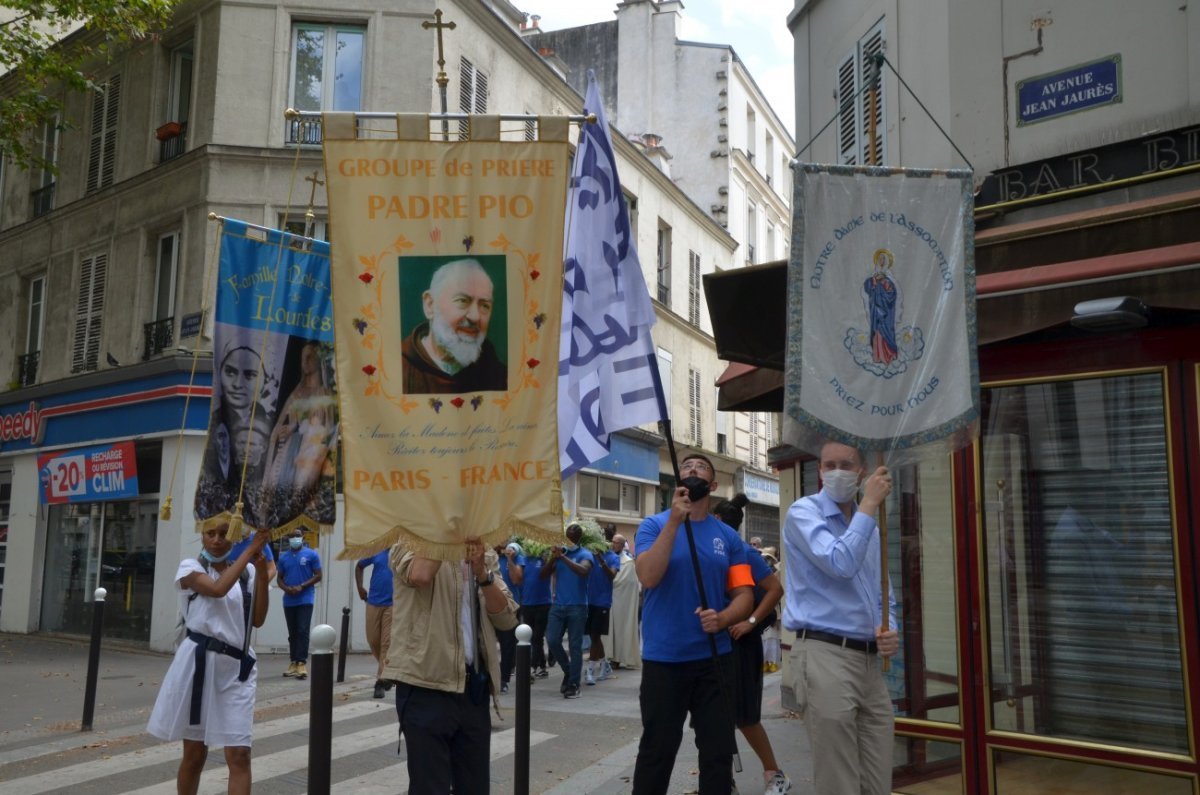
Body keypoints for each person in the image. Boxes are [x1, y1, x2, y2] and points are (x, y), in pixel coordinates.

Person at [781, 441, 899, 795]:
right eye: (828, 464)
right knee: (839, 781)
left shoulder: (871, 530)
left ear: (861, 471)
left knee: (877, 779)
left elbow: (884, 596)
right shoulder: (804, 513)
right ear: (818, 471)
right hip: (824, 655)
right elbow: (840, 563)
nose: (836, 472)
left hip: (868, 661)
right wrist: (869, 504)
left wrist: (890, 629)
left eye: (846, 464)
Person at [633, 453, 754, 795]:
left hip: (715, 661)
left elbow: (744, 594)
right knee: (657, 750)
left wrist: (724, 618)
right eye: (686, 467)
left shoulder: (728, 538)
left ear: (713, 485)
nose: (692, 470)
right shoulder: (654, 526)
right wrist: (674, 521)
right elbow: (648, 576)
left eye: (700, 467)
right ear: (678, 482)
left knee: (717, 753)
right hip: (664, 661)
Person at [385, 537, 518, 794]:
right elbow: (420, 575)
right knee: (429, 786)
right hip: (425, 684)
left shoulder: (482, 551)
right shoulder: (409, 541)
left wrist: (482, 572)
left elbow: (506, 616)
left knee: (475, 786)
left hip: (472, 688)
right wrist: (447, 534)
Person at [147, 523, 271, 795]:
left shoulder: (246, 572)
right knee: (194, 753)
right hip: (198, 667)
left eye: (224, 534)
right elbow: (216, 589)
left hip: (236, 669)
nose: (216, 540)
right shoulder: (190, 568)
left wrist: (262, 574)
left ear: (233, 536)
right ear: (201, 535)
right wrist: (250, 549)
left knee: (239, 754)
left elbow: (257, 619)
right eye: (209, 533)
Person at [713, 493, 791, 795]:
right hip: (712, 643)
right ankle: (720, 779)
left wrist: (750, 622)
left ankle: (775, 775)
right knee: (712, 718)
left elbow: (775, 589)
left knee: (744, 716)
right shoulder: (710, 552)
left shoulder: (742, 552)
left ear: (717, 521)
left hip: (741, 644)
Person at [402, 258, 507, 394]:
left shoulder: (500, 376)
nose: (475, 316)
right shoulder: (396, 370)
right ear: (430, 305)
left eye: (484, 305)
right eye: (462, 300)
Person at [263, 341, 336, 498]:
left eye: (310, 357)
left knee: (302, 489)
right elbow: (279, 428)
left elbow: (330, 427)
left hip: (313, 450)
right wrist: (286, 431)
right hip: (293, 447)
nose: (306, 361)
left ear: (319, 360)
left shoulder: (325, 394)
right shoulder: (297, 394)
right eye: (303, 358)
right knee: (281, 488)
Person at [543, 522, 595, 698]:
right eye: (567, 536)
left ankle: (573, 684)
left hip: (578, 606)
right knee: (551, 640)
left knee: (574, 646)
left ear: (578, 538)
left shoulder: (585, 554)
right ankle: (569, 671)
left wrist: (563, 558)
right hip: (558, 605)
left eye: (572, 537)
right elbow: (543, 575)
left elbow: (583, 571)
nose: (569, 540)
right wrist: (554, 557)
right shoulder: (560, 553)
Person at [276, 528, 323, 679]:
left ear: (302, 537)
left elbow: (318, 575)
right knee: (293, 632)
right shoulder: (284, 558)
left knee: (302, 630)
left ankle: (301, 662)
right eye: (291, 536)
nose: (294, 538)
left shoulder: (311, 554)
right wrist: (286, 589)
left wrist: (302, 586)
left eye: (297, 536)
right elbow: (279, 578)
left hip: (305, 598)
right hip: (289, 600)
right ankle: (293, 661)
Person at [508, 543, 552, 679]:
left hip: (543, 603)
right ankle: (542, 666)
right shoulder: (523, 560)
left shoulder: (545, 559)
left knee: (537, 637)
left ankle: (532, 668)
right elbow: (516, 580)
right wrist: (510, 559)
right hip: (527, 604)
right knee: (530, 637)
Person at [356, 548, 395, 699]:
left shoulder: (401, 550)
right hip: (373, 601)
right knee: (373, 640)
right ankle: (389, 670)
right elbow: (359, 566)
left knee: (386, 643)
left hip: (393, 604)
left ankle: (381, 680)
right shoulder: (377, 549)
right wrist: (360, 587)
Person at [585, 535, 621, 685]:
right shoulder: (589, 555)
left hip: (602, 602)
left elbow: (611, 575)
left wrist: (601, 560)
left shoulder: (613, 557)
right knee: (594, 637)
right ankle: (604, 665)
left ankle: (590, 670)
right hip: (588, 600)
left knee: (595, 635)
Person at [602, 533, 640, 670]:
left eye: (617, 542)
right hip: (606, 598)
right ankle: (607, 656)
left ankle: (618, 658)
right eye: (613, 541)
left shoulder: (629, 563)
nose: (613, 544)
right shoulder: (606, 558)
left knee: (619, 629)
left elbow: (630, 583)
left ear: (623, 545)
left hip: (621, 602)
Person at [863, 248, 900, 366]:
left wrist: (885, 283)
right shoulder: (873, 275)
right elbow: (867, 287)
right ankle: (878, 355)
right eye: (880, 259)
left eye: (884, 259)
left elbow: (893, 293)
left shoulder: (889, 276)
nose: (882, 261)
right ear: (877, 261)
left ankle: (889, 354)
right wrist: (874, 280)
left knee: (887, 330)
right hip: (875, 309)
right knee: (877, 330)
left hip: (887, 311)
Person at [495, 542, 522, 694]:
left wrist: (510, 559)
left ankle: (504, 679)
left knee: (507, 645)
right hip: (488, 604)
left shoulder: (516, 555)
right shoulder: (490, 555)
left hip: (509, 607)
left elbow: (517, 579)